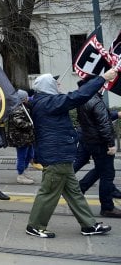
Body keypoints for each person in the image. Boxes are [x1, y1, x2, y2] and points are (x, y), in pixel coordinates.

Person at [25, 71, 116, 238]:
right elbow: (77, 97)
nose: (58, 85)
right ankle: (35, 226)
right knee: (48, 192)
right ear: (47, 86)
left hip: (61, 155)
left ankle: (89, 225)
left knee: (74, 193)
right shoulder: (48, 102)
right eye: (55, 82)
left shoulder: (46, 101)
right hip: (56, 156)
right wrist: (102, 78)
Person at [75, 75, 121, 218]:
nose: (103, 85)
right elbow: (104, 124)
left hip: (91, 141)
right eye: (100, 83)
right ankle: (107, 207)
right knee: (107, 174)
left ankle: (80, 189)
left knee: (100, 170)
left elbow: (97, 120)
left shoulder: (83, 98)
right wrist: (110, 144)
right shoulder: (96, 100)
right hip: (100, 143)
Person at [6, 90, 36, 185]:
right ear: (23, 99)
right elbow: (19, 122)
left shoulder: (23, 106)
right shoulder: (17, 108)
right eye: (26, 97)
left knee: (30, 154)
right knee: (22, 156)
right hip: (20, 138)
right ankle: (20, 175)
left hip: (27, 137)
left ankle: (24, 170)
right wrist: (31, 125)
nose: (28, 99)